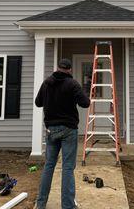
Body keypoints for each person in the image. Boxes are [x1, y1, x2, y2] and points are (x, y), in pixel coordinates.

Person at [34, 58, 90, 209]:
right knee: (67, 168)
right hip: (68, 130)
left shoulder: (47, 83)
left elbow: (38, 102)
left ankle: (40, 204)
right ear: (70, 70)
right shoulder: (72, 84)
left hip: (51, 129)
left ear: (58, 68)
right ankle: (67, 206)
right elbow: (85, 103)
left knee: (49, 165)